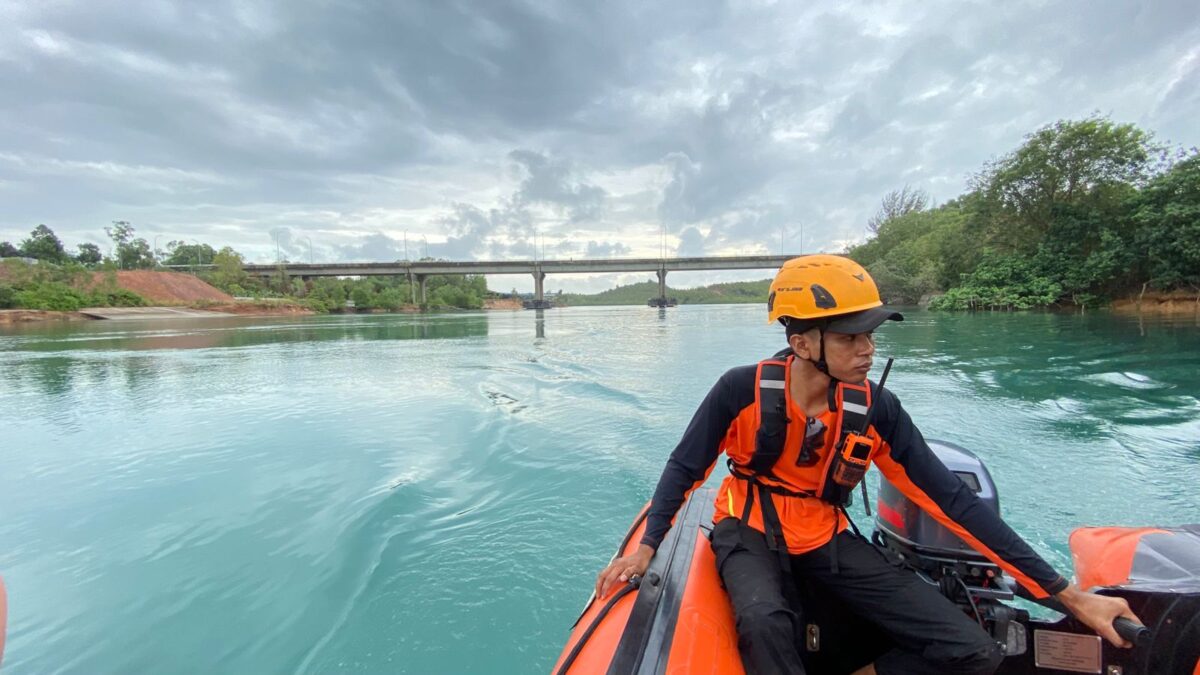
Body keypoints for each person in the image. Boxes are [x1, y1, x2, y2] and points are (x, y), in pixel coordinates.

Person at [596, 255, 1139, 675]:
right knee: (764, 623)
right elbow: (685, 467)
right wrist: (648, 546)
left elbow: (950, 501)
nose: (868, 349)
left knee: (972, 651)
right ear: (801, 342)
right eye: (850, 337)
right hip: (748, 525)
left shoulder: (876, 409)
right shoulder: (741, 390)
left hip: (825, 533)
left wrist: (1066, 594)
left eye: (871, 335)